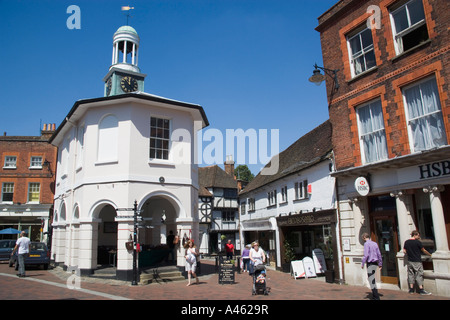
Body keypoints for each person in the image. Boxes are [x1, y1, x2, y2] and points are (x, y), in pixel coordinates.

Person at [403, 230, 432, 295]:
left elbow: (404, 251)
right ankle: (421, 289)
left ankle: (411, 289)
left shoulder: (406, 242)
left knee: (410, 274)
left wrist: (409, 253)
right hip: (417, 260)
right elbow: (423, 250)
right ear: (415, 235)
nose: (419, 236)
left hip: (410, 261)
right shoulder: (418, 242)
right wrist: (430, 255)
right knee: (419, 274)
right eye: (418, 235)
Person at [361, 233, 382, 300]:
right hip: (375, 263)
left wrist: (362, 263)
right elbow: (379, 254)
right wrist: (380, 263)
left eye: (363, 238)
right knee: (373, 279)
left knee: (371, 280)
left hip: (370, 263)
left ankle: (376, 296)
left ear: (364, 237)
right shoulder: (375, 243)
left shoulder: (366, 244)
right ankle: (374, 295)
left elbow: (366, 255)